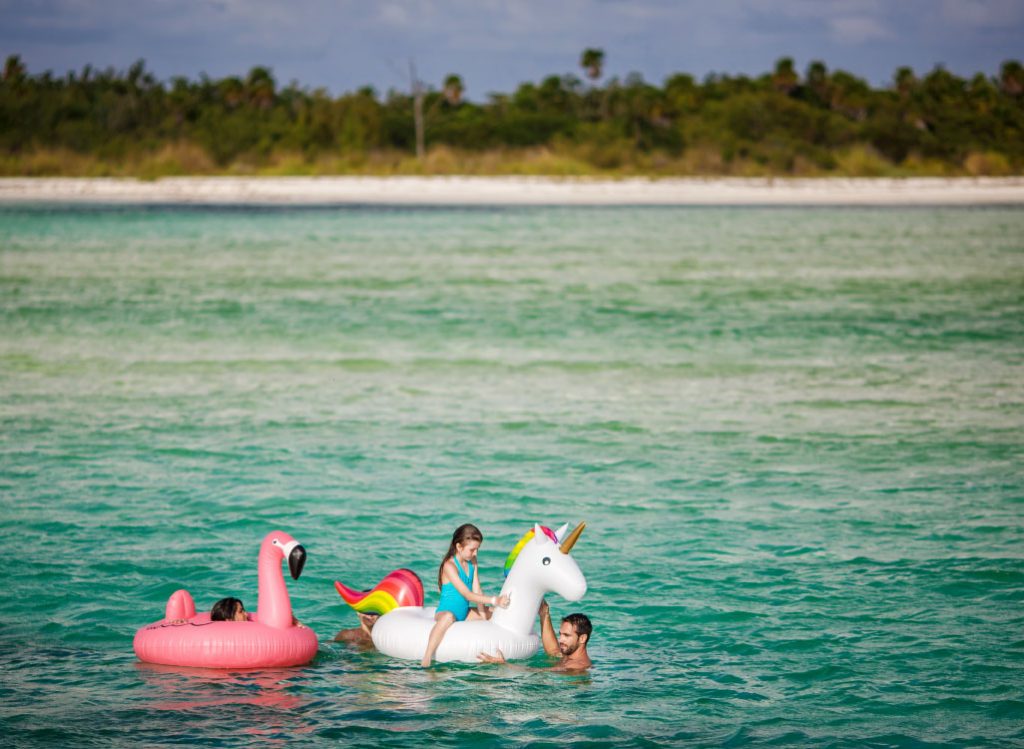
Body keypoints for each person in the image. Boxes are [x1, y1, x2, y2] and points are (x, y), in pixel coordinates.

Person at [421, 523, 510, 667]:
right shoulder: (449, 566)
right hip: (445, 612)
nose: (475, 554)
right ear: (459, 547)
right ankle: (427, 657)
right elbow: (467, 594)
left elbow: (477, 590)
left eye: (477, 549)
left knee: (495, 612)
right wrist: (495, 600)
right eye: (472, 550)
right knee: (449, 617)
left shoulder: (472, 562)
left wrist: (483, 617)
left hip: (465, 613)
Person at [478, 599, 592, 671]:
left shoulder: (578, 666)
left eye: (566, 635)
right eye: (560, 634)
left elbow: (538, 672)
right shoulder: (569, 656)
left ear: (582, 638)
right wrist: (544, 614)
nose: (560, 639)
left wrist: (504, 664)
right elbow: (553, 651)